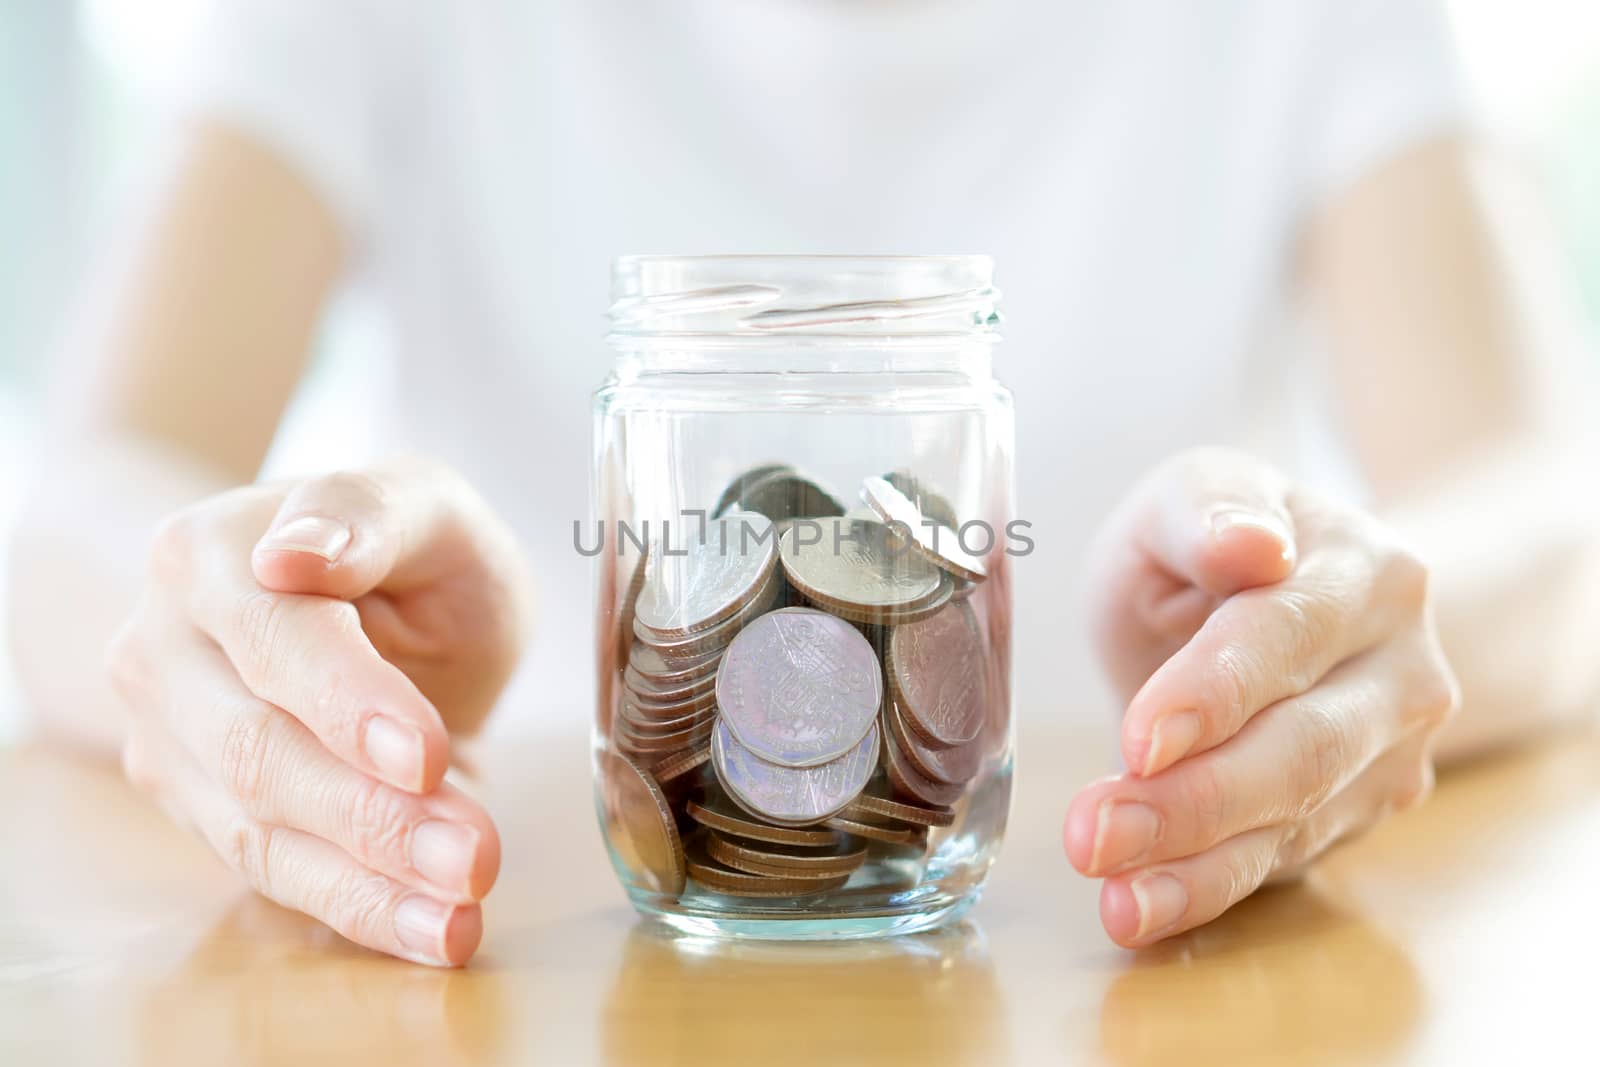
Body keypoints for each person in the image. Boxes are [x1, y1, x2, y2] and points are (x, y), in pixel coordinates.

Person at [8, 0, 1599, 968]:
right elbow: (65, 503)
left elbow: (1546, 504)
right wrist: (260, 609)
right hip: (565, 928)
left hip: (1071, 948)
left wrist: (1318, 618)